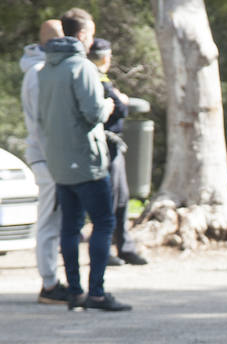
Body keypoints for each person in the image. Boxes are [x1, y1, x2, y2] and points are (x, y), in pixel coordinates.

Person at [38, 8, 130, 311]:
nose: (91, 41)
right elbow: (93, 113)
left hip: (59, 161)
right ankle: (97, 293)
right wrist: (109, 103)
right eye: (90, 35)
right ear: (81, 36)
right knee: (103, 222)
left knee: (70, 226)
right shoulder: (81, 67)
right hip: (86, 160)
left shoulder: (47, 68)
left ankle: (75, 292)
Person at [88, 38, 148, 266]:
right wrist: (120, 100)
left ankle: (124, 246)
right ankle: (104, 249)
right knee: (108, 200)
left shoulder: (100, 78)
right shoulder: (96, 78)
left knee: (121, 198)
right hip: (104, 147)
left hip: (114, 146)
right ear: (106, 57)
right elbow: (120, 108)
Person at [20, 19, 67, 304]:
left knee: (54, 221)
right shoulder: (38, 73)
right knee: (49, 221)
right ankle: (49, 284)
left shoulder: (42, 70)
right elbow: (43, 123)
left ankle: (53, 281)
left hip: (51, 157)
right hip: (48, 158)